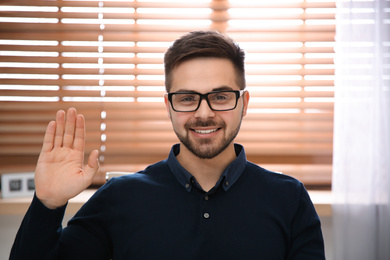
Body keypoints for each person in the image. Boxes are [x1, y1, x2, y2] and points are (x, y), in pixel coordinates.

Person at [10, 31, 325, 259]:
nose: (204, 113)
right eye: (187, 98)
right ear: (168, 105)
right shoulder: (120, 197)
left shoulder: (289, 199)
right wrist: (47, 204)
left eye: (220, 97)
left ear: (244, 103)